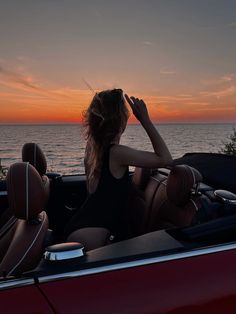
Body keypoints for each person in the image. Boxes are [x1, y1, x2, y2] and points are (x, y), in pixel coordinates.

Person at [64, 88, 172, 241]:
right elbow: (166, 159)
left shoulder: (92, 150)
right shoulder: (116, 154)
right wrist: (145, 120)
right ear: (121, 121)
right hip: (97, 234)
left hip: (81, 226)